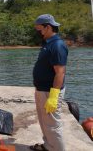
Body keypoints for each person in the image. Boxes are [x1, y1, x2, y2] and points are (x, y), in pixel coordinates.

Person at [31, 14, 68, 151]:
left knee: (52, 125)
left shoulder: (57, 45)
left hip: (50, 92)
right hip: (42, 90)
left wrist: (54, 96)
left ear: (47, 27)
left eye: (39, 29)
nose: (38, 33)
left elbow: (60, 72)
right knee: (44, 122)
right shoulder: (48, 43)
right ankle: (48, 146)